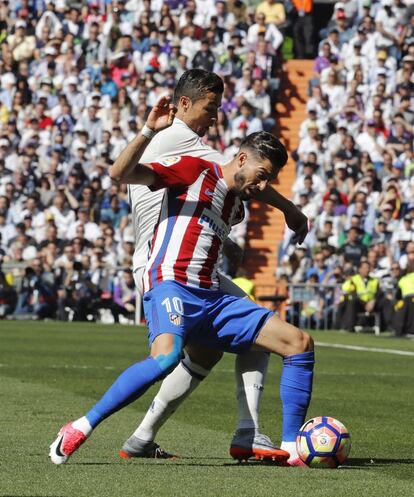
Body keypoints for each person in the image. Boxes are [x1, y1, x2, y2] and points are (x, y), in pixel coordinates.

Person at [49, 96, 314, 467]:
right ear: (241, 159)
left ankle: (291, 449)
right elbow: (120, 174)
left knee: (297, 341)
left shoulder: (236, 200)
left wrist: (291, 211)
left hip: (211, 295)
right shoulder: (194, 169)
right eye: (262, 173)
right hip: (170, 283)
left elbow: (253, 189)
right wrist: (147, 131)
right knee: (167, 357)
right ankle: (80, 426)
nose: (264, 184)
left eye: (270, 178)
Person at [117, 69, 308, 463]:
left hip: (170, 260)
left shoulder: (177, 144)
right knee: (261, 331)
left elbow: (210, 197)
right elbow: (243, 175)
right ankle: (248, 432)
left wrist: (227, 239)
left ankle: (141, 438)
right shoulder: (182, 142)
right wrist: (290, 209)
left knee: (207, 352)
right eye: (211, 107)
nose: (215, 116)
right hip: (166, 265)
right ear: (184, 104)